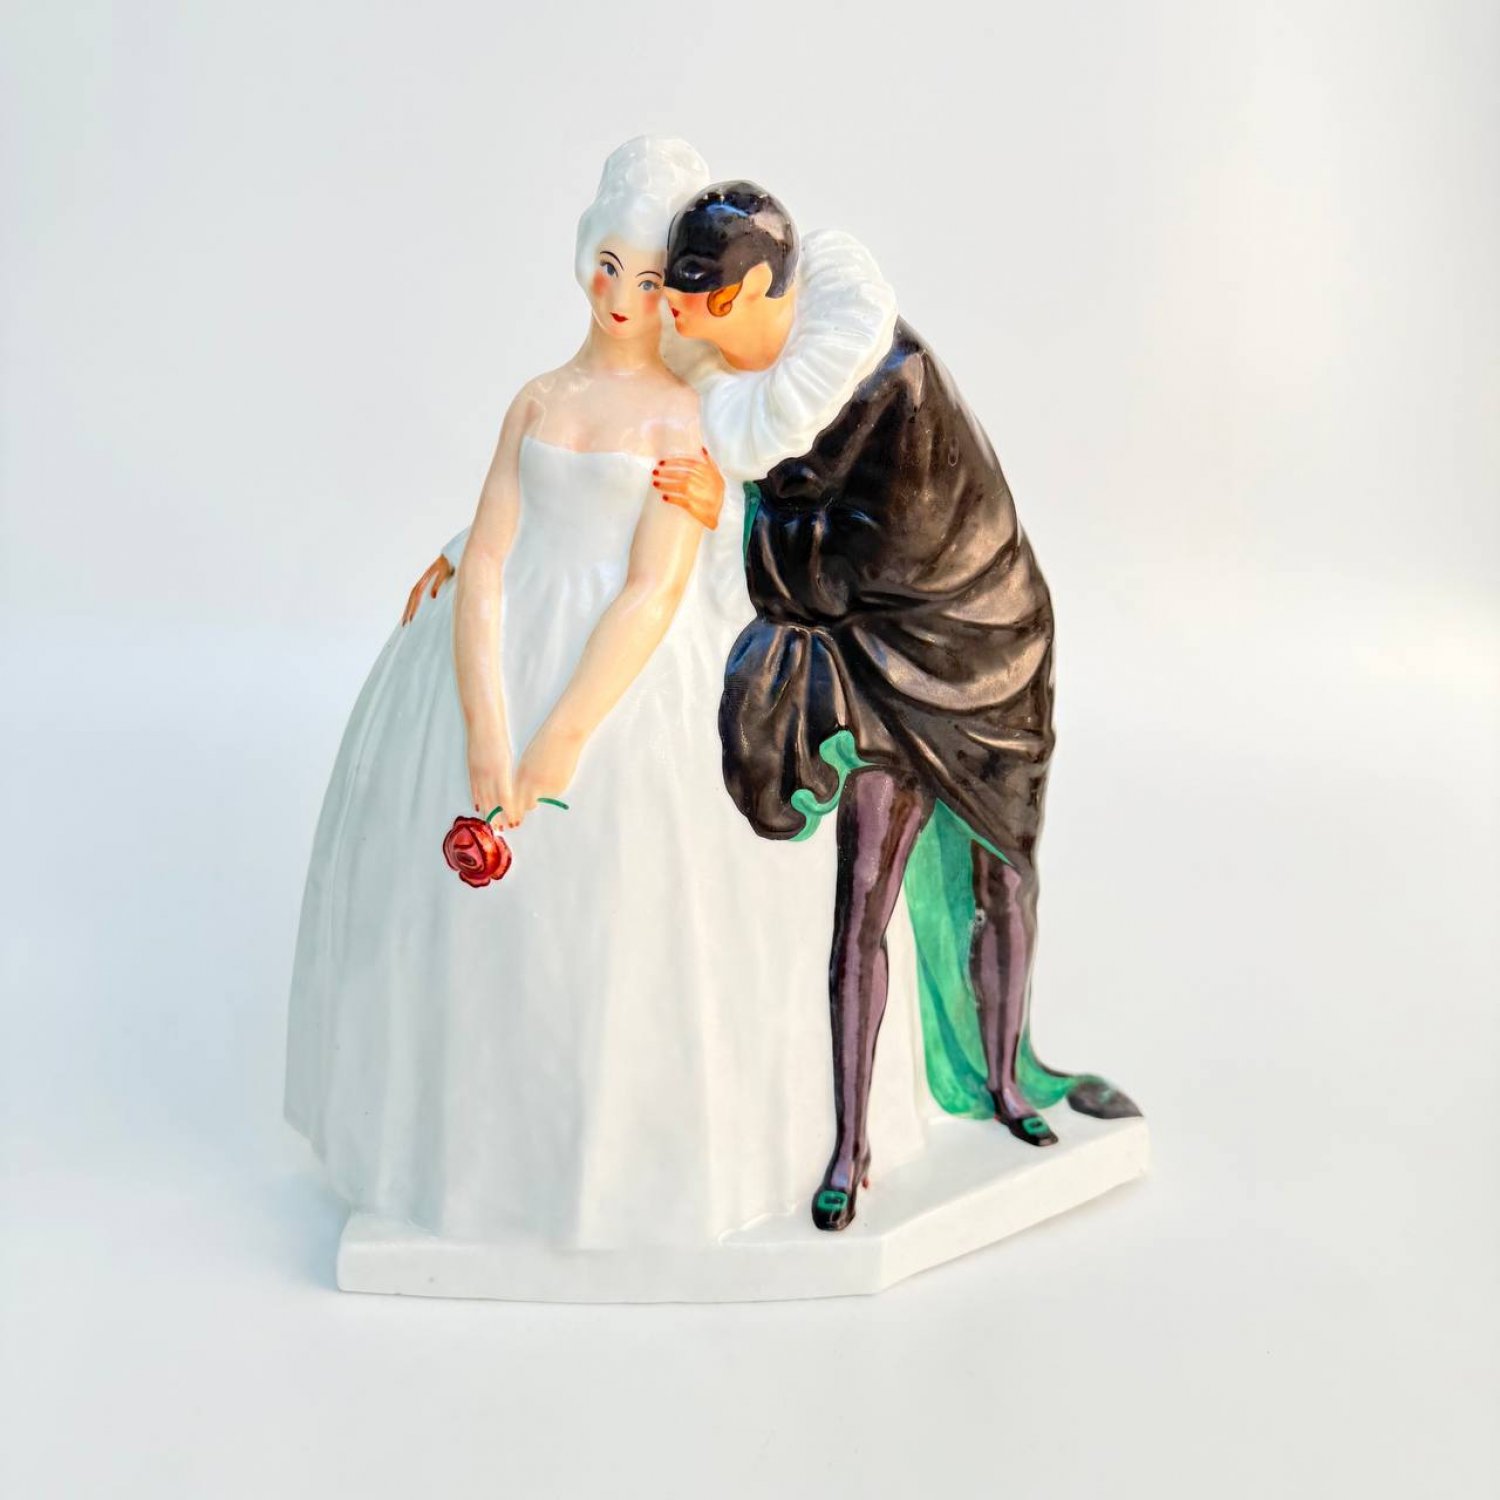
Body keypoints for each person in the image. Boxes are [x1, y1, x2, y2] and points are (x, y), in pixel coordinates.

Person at [285, 141, 927, 1251]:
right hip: (506, 636)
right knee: (476, 943)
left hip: (634, 673)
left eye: (650, 277)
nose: (622, 294)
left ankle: (643, 1167)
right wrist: (486, 724)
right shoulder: (537, 399)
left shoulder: (688, 422)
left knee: (634, 924)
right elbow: (495, 548)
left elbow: (650, 590)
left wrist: (560, 740)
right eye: (610, 264)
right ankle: (479, 1157)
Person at [661, 183, 1139, 1231]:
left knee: (1001, 872)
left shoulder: (890, 379)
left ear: (754, 290)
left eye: (694, 297)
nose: (674, 315)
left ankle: (1004, 1083)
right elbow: (821, 552)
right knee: (862, 900)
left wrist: (737, 518)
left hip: (984, 649)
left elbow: (863, 560)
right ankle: (851, 1145)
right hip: (876, 662)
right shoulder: (743, 385)